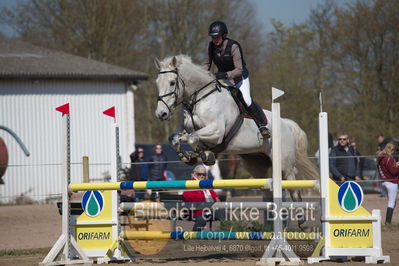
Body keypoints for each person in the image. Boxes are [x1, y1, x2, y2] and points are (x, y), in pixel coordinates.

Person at [204, 21, 270, 138]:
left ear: (224, 35)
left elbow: (239, 70)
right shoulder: (210, 46)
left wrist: (223, 75)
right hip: (224, 79)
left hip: (240, 79)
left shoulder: (233, 46)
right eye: (213, 37)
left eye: (217, 37)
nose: (215, 40)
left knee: (247, 100)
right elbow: (206, 64)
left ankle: (262, 126)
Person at [182, 165, 225, 231]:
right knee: (202, 219)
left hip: (212, 209)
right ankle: (195, 235)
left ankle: (225, 233)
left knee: (224, 215)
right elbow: (187, 198)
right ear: (195, 174)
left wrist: (216, 200)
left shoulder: (206, 183)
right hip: (199, 211)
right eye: (199, 174)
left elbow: (215, 197)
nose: (202, 176)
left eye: (203, 174)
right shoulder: (191, 184)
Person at [376, 142, 399, 224]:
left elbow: (386, 169)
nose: (394, 153)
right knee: (391, 202)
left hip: (384, 182)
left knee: (392, 202)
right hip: (391, 182)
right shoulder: (389, 158)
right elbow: (393, 172)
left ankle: (388, 221)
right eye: (394, 151)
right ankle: (388, 222)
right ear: (391, 150)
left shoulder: (380, 158)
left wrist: (395, 165)